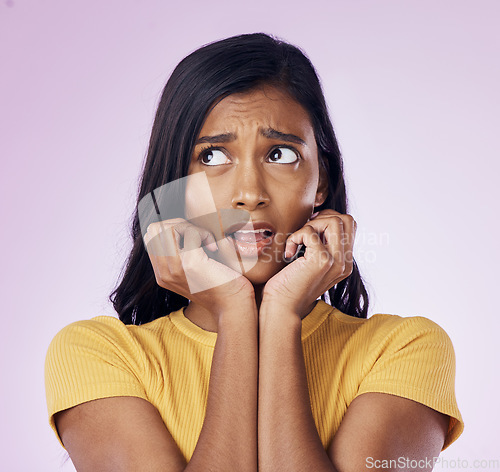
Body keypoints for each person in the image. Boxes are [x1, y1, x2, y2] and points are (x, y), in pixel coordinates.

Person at [45, 33, 464, 471]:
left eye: (280, 154)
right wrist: (235, 313)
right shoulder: (98, 355)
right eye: (211, 157)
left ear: (320, 182)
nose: (249, 194)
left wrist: (281, 317)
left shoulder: (404, 349)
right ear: (174, 188)